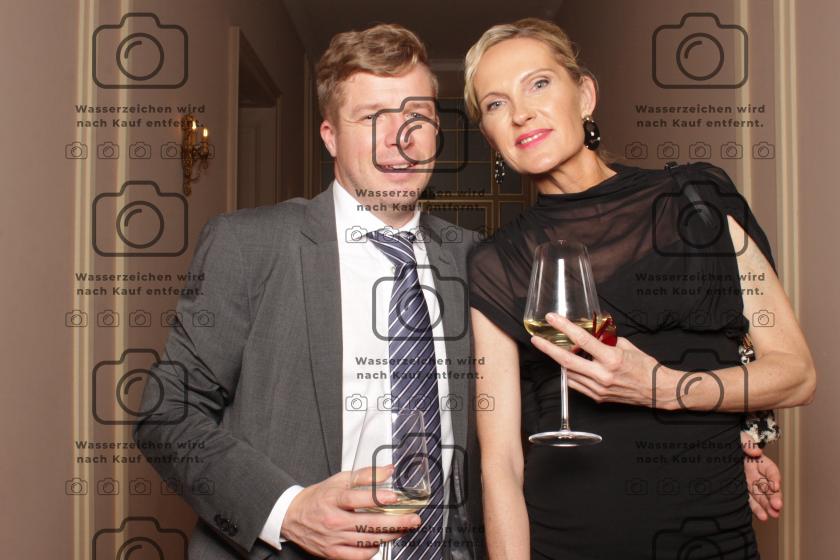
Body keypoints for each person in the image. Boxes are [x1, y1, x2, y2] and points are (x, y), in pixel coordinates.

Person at [463, 18, 813, 559]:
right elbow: (501, 463)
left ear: (585, 95)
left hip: (713, 536)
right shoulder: (496, 262)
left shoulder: (698, 200)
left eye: (539, 84)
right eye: (495, 103)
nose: (520, 113)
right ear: (490, 136)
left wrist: (664, 387)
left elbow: (795, 374)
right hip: (568, 541)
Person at [134, 24, 481, 560]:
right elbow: (167, 413)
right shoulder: (248, 244)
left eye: (418, 115)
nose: (400, 137)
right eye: (372, 117)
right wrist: (287, 511)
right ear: (330, 136)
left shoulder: (476, 259)